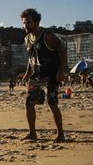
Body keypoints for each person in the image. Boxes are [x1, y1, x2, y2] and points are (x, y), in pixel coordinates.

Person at [21, 8, 66, 142]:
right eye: (23, 23)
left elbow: (63, 51)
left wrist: (60, 71)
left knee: (52, 103)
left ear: (37, 22)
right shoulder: (27, 39)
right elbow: (31, 57)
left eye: (28, 22)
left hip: (51, 75)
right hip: (36, 76)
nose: (25, 25)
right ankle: (32, 133)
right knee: (29, 104)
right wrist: (27, 72)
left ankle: (61, 135)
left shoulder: (48, 35)